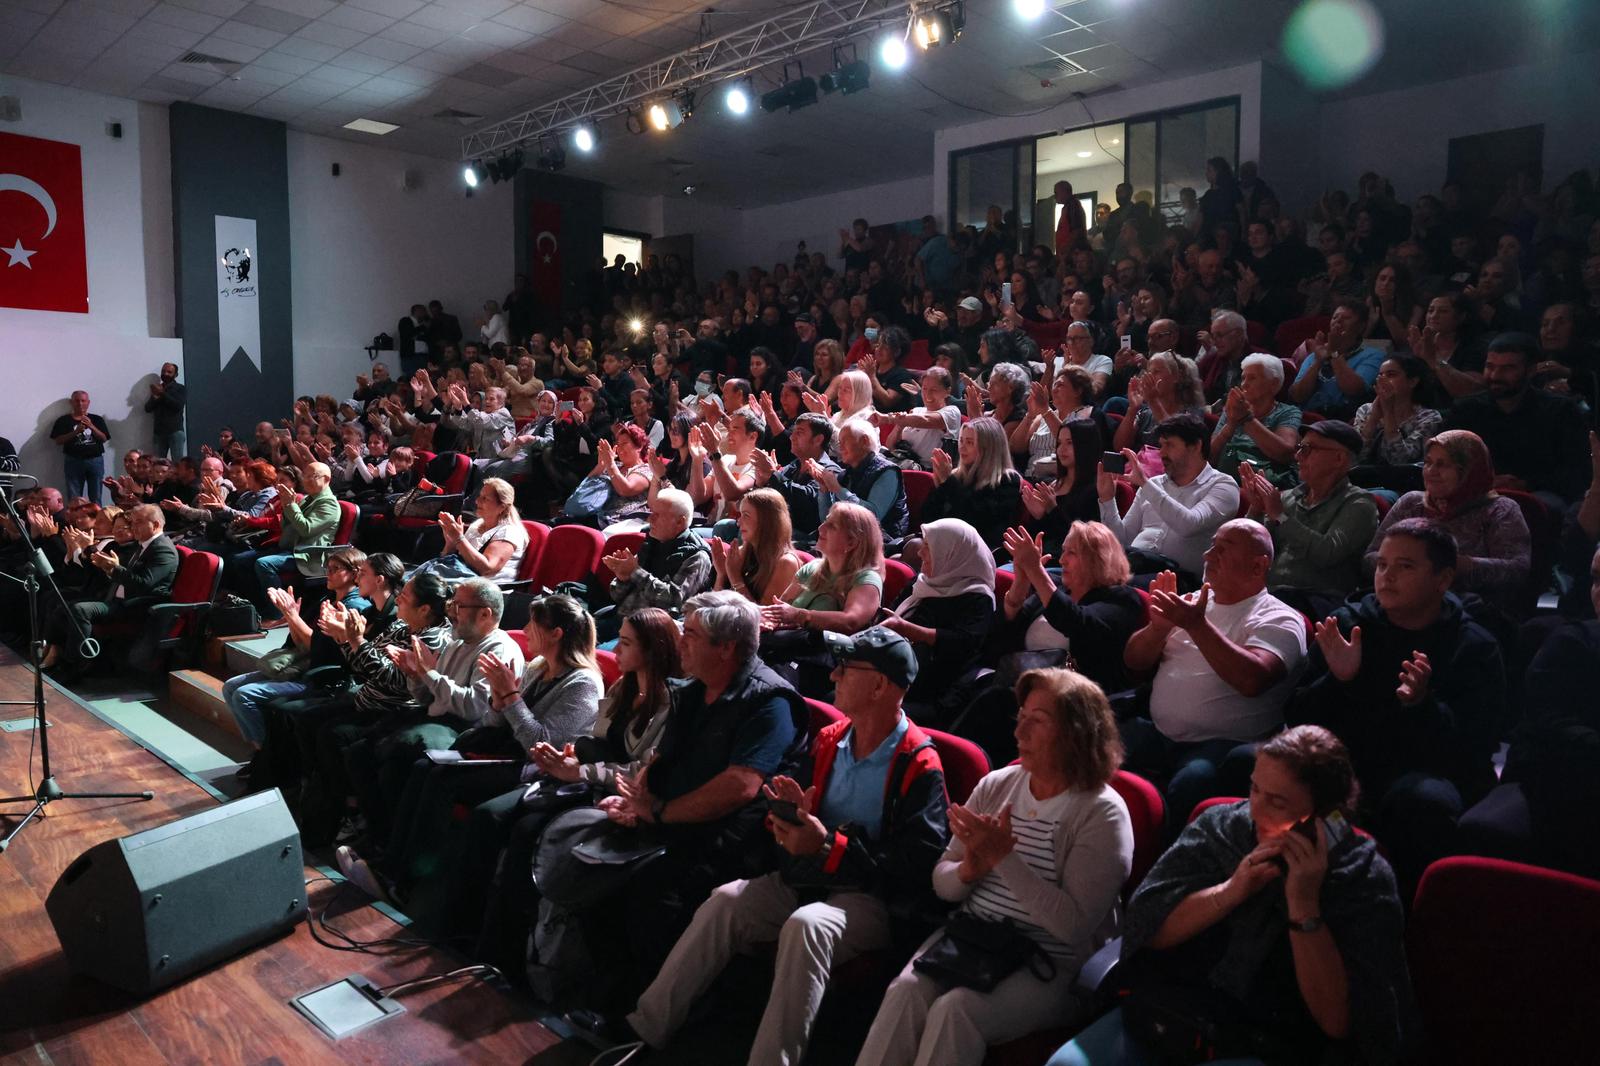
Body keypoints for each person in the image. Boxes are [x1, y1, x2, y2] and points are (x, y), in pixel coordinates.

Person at [605, 626, 949, 1065]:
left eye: (846, 668)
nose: (833, 676)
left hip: (868, 896)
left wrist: (829, 846)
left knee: (808, 926)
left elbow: (917, 863)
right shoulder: (831, 739)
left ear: (880, 685)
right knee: (725, 901)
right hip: (805, 873)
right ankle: (646, 1027)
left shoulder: (919, 762)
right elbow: (794, 812)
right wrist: (787, 821)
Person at [1048, 726, 1418, 1066]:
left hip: (1272, 1042)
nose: (1255, 809)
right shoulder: (1221, 827)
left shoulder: (1362, 878)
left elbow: (1340, 1022)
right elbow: (1148, 926)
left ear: (1322, 817)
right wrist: (1230, 892)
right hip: (1175, 1010)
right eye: (1254, 789)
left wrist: (1303, 904)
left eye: (1277, 802)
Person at [858, 668, 1133, 1066]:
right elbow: (943, 884)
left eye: (1037, 721)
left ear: (1076, 733)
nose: (1020, 732)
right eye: (1021, 717)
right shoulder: (998, 785)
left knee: (956, 1011)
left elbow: (1073, 927)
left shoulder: (1102, 813)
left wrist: (1004, 859)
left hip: (1050, 962)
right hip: (975, 939)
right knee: (905, 991)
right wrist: (968, 870)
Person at [337, 593, 600, 910]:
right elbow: (493, 722)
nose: (526, 629)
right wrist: (499, 703)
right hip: (502, 750)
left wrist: (511, 698)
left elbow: (540, 746)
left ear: (556, 634)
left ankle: (403, 882)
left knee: (442, 781)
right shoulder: (538, 668)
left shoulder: (583, 683)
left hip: (532, 769)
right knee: (422, 767)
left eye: (534, 624)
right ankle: (390, 863)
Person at [1288, 519, 1504, 893]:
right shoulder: (1348, 625)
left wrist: (1422, 705)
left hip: (1421, 772)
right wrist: (1338, 681)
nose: (1386, 576)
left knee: (1421, 803)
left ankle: (1405, 910)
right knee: (1252, 764)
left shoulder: (1473, 644)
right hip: (1345, 765)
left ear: (1443, 579)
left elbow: (1476, 745)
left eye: (1405, 566)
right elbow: (1296, 717)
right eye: (1382, 564)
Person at [471, 608, 684, 976]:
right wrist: (570, 756)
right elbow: (594, 742)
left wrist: (579, 768)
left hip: (616, 796)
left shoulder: (670, 703)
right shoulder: (623, 687)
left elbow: (642, 770)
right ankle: (484, 937)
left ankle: (510, 955)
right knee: (506, 818)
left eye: (626, 643)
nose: (616, 649)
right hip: (583, 782)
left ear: (652, 650)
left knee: (525, 830)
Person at [1121, 520, 1308, 832]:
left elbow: (1252, 680)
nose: (1208, 556)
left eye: (1222, 549)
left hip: (1224, 745)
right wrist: (1158, 629)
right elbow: (1133, 663)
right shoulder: (1191, 603)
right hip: (1158, 731)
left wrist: (1197, 625)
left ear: (1258, 566)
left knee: (1192, 783)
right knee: (1089, 742)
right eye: (1211, 546)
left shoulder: (1280, 618)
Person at [1456, 546, 1600, 879]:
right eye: (1595, 579)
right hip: (1564, 775)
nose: (1598, 592)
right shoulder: (1571, 644)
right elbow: (1550, 728)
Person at [1362, 431, 1531, 613]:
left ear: (1469, 470)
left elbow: (1517, 570)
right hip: (1402, 605)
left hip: (1473, 610)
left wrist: (1454, 565)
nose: (1431, 471)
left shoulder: (1500, 509)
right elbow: (1369, 558)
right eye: (1428, 463)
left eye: (1443, 464)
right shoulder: (1411, 503)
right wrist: (1404, 566)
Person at [1239, 420, 1380, 617]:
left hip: (1318, 600)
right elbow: (1254, 551)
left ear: (1339, 458)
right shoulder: (1288, 497)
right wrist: (1256, 508)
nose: (1297, 456)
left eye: (1307, 449)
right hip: (1270, 594)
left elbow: (1327, 553)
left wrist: (1280, 516)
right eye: (1299, 448)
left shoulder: (1359, 504)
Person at [997, 521, 1146, 699]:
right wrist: (1021, 582)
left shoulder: (1123, 599)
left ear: (1098, 560)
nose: (1061, 560)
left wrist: (1035, 570)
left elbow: (1077, 622)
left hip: (1076, 699)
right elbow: (1005, 632)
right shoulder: (1058, 587)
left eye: (1072, 553)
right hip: (1022, 684)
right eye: (1063, 551)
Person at [1444, 332, 1590, 507]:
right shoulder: (1465, 410)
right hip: (1476, 491)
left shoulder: (1560, 411)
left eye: (1507, 368)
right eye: (1490, 366)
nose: (1495, 375)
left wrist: (1524, 484)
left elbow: (1578, 471)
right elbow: (1444, 459)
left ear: (1530, 371)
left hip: (1537, 494)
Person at [1098, 413, 1240, 583]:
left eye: (1169, 445)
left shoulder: (1223, 486)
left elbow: (1189, 524)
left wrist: (1144, 483)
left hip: (1179, 579)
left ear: (1196, 446)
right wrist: (1107, 499)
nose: (1162, 453)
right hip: (1135, 566)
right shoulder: (1154, 484)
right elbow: (1122, 540)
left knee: (1108, 586)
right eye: (1161, 445)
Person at [42, 503, 178, 677]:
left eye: (138, 522)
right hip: (115, 598)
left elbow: (143, 584)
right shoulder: (143, 544)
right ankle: (62, 656)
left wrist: (114, 568)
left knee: (79, 610)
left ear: (156, 525)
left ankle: (73, 667)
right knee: (63, 607)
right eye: (133, 523)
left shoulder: (163, 549)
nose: (133, 527)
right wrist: (108, 567)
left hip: (135, 605)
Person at [879, 519, 995, 716]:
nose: (920, 553)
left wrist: (909, 630)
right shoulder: (922, 581)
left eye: (928, 547)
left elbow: (964, 642)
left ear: (951, 553)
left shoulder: (977, 598)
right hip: (892, 669)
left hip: (931, 688)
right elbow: (892, 614)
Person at [762, 501, 884, 640]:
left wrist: (799, 616)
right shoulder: (812, 567)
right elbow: (780, 609)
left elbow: (851, 621)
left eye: (832, 526)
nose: (820, 528)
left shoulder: (867, 578)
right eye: (826, 521)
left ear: (851, 542)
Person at [602, 486, 714, 621]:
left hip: (651, 627)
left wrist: (635, 572)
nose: (650, 519)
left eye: (658, 515)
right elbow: (616, 596)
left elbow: (675, 599)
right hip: (623, 618)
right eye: (651, 513)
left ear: (679, 522)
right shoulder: (652, 542)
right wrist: (623, 578)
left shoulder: (697, 555)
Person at [916, 417, 1023, 554]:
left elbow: (975, 521)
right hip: (946, 541)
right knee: (914, 545)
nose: (962, 447)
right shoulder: (956, 476)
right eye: (961, 441)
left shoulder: (1008, 480)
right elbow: (926, 519)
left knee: (916, 547)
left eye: (970, 442)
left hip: (980, 549)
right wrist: (940, 488)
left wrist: (948, 483)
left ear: (988, 449)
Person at [1351, 352, 1442, 494]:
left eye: (1391, 375)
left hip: (1402, 488)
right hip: (1362, 481)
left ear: (1412, 381)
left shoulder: (1428, 417)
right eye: (1380, 375)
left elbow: (1400, 461)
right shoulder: (1365, 410)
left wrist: (1388, 413)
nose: (1383, 380)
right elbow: (1354, 459)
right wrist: (1373, 419)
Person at [814, 419, 910, 552]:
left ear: (864, 441)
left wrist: (838, 489)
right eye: (839, 443)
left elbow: (872, 516)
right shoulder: (846, 474)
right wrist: (824, 490)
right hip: (847, 537)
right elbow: (828, 520)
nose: (840, 448)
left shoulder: (887, 471)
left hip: (881, 542)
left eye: (844, 441)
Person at [1211, 354, 1301, 487]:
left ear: (1274, 384)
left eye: (1252, 378)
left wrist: (1246, 419)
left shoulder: (1288, 412)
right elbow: (1210, 456)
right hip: (1225, 481)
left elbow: (1285, 453)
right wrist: (1231, 424)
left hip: (1264, 484)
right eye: (1243, 378)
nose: (1244, 384)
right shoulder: (1233, 408)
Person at [421, 477, 529, 585]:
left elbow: (487, 569)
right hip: (462, 580)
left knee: (424, 587)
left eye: (485, 499)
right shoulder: (477, 525)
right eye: (479, 496)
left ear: (502, 507)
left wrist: (459, 539)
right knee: (419, 580)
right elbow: (455, 560)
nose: (477, 501)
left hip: (484, 589)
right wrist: (451, 544)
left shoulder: (509, 532)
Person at [755, 412, 841, 546]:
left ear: (818, 439)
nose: (791, 437)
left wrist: (773, 475)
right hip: (783, 527)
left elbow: (808, 498)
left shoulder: (829, 470)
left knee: (761, 532)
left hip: (808, 537)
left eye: (799, 433)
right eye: (793, 432)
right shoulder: (794, 465)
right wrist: (762, 482)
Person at [1287, 302, 1385, 420]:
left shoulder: (1373, 355)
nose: (1338, 321)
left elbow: (1354, 389)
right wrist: (1318, 362)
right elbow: (1297, 396)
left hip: (1342, 420)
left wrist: (1334, 353)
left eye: (1346, 318)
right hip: (1305, 418)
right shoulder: (1316, 354)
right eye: (1335, 317)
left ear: (1361, 327)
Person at [1021, 419, 1103, 560]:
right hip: (1042, 556)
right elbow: (1043, 536)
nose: (1061, 449)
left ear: (1085, 446)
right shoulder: (1054, 484)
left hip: (1070, 562)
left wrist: (1052, 509)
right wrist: (1038, 516)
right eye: (1059, 443)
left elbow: (1083, 540)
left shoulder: (1095, 489)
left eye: (1069, 443)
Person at [710, 487, 801, 606]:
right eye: (740, 515)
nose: (739, 522)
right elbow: (713, 606)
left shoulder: (786, 563)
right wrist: (722, 574)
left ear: (767, 521)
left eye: (746, 515)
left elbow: (765, 613)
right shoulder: (743, 552)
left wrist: (735, 577)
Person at [50, 390, 111, 504]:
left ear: (88, 402)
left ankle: (97, 515)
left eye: (83, 401)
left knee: (96, 495)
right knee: (74, 497)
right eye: (77, 401)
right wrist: (76, 432)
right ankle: (75, 515)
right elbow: (58, 441)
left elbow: (104, 438)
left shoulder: (97, 419)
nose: (80, 403)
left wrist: (91, 426)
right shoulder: (63, 420)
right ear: (71, 402)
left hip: (95, 460)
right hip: (73, 460)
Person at [144, 362, 187, 460]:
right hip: (159, 433)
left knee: (177, 463)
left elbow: (178, 406)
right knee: (158, 463)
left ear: (176, 375)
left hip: (175, 431)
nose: (165, 374)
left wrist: (162, 394)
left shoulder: (180, 388)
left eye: (169, 372)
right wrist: (155, 397)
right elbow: (147, 408)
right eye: (163, 371)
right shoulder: (158, 388)